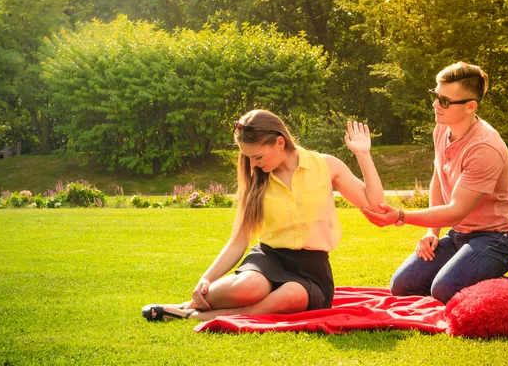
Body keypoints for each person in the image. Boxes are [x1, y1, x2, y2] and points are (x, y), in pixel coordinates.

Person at [142, 109, 386, 321]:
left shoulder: (325, 165)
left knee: (292, 296)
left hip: (311, 268)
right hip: (269, 259)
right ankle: (188, 306)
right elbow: (240, 240)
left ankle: (197, 315)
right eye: (248, 158)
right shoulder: (256, 180)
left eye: (257, 156)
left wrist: (363, 155)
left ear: (280, 142)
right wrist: (206, 278)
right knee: (245, 288)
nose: (253, 165)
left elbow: (375, 204)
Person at [361, 62, 508, 304]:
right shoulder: (442, 130)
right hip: (460, 235)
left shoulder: (484, 147)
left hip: (498, 238)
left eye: (444, 101)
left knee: (444, 289)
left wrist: (400, 215)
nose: (434, 104)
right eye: (435, 96)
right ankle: (473, 276)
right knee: (402, 285)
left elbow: (455, 211)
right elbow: (438, 179)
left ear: (470, 106)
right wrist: (432, 233)